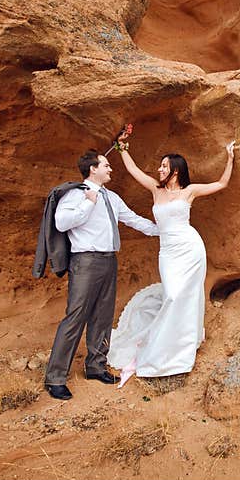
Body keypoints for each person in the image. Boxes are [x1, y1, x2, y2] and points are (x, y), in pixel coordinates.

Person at [107, 131, 235, 387]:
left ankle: (182, 344)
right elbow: (133, 171)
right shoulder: (156, 190)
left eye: (164, 166)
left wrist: (230, 157)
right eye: (160, 165)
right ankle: (166, 341)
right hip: (168, 252)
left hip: (190, 248)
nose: (159, 169)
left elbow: (221, 184)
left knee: (186, 295)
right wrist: (121, 149)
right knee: (172, 294)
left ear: (175, 170)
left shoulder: (190, 191)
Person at [44, 150, 160, 401]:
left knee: (103, 315)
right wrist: (88, 202)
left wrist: (163, 230)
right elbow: (61, 223)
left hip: (109, 260)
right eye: (106, 165)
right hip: (85, 261)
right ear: (92, 169)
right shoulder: (75, 194)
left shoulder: (113, 197)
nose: (110, 169)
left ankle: (96, 367)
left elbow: (133, 220)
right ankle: (55, 378)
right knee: (76, 316)